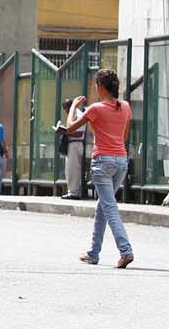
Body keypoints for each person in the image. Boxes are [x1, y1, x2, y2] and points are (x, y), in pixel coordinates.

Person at [58, 68, 134, 268]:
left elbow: (69, 128)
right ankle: (93, 253)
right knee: (103, 206)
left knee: (109, 207)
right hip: (121, 161)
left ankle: (125, 250)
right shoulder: (125, 107)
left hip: (102, 162)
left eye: (95, 85)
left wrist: (74, 106)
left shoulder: (95, 109)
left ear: (101, 86)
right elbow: (124, 137)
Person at [61, 98, 87, 200]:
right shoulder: (72, 115)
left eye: (66, 108)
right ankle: (72, 191)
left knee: (74, 169)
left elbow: (80, 132)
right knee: (69, 169)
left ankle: (74, 192)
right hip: (71, 144)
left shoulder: (79, 115)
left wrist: (66, 132)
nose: (65, 111)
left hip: (76, 144)